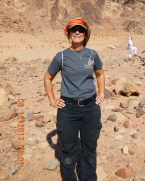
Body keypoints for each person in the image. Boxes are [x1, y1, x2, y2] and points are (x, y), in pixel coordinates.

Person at [44, 17, 105, 181]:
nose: (77, 32)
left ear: (85, 34)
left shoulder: (92, 54)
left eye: (81, 30)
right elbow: (48, 78)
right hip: (68, 109)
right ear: (69, 33)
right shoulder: (61, 57)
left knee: (90, 148)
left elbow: (99, 74)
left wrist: (102, 94)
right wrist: (52, 100)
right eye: (74, 30)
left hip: (91, 107)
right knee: (68, 150)